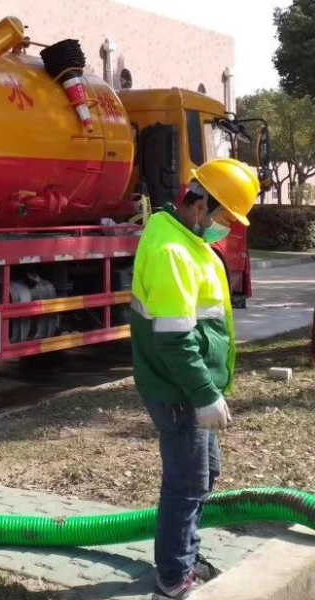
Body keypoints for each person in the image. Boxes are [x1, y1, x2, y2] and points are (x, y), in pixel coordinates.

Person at [129, 158, 260, 600]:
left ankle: (185, 554)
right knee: (187, 482)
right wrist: (204, 394)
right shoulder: (172, 251)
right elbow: (174, 340)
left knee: (205, 473)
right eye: (226, 217)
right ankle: (173, 577)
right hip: (179, 391)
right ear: (201, 206)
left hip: (186, 387)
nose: (227, 228)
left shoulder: (188, 239)